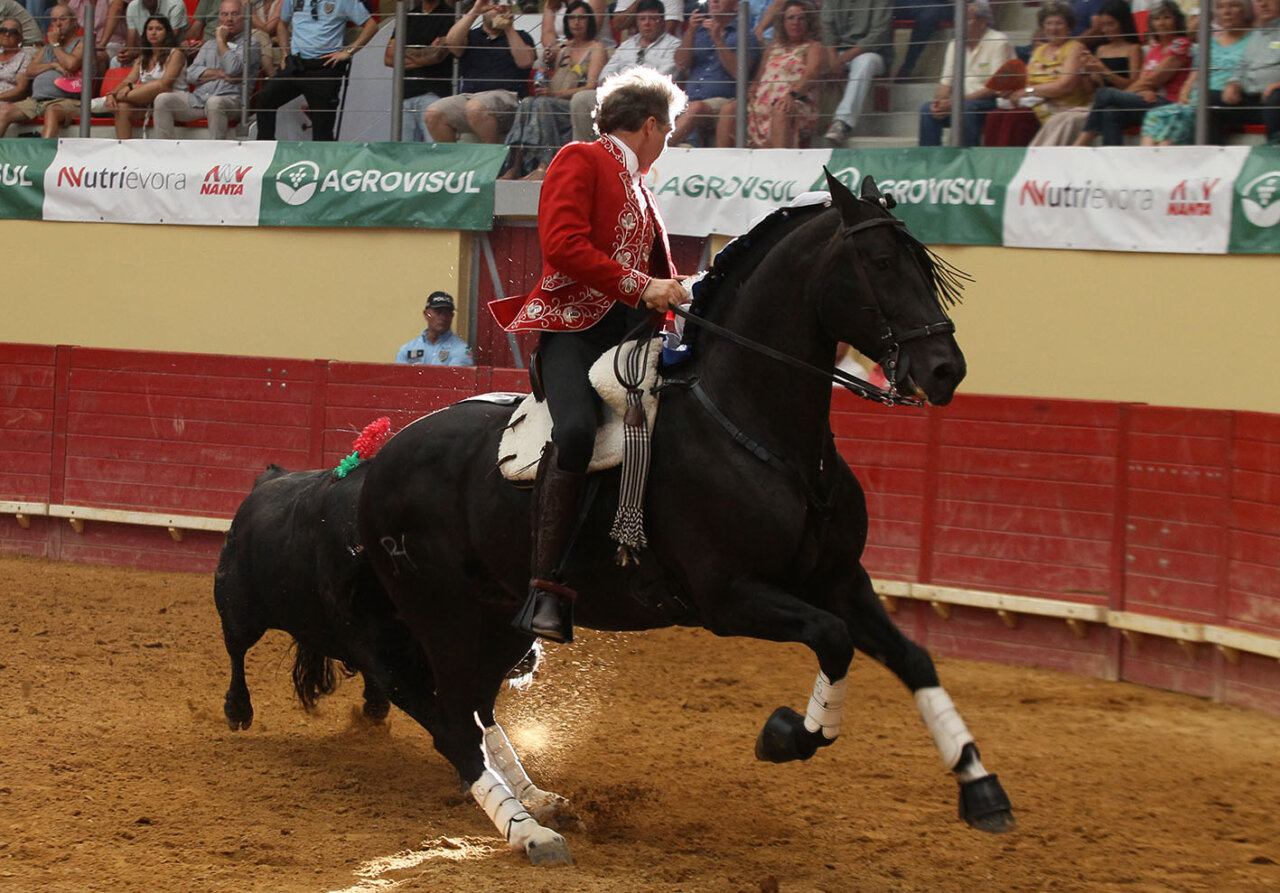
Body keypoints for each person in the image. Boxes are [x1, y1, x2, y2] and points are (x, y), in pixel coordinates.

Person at [487, 67, 689, 643]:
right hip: (577, 333)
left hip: (633, 338)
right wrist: (639, 285)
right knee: (575, 431)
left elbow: (658, 276)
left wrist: (677, 290)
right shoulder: (581, 157)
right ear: (650, 125)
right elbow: (563, 246)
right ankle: (543, 588)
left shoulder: (642, 189)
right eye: (669, 131)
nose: (668, 141)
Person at [502, 0, 604, 179]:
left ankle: (545, 166)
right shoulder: (563, 50)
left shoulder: (597, 48)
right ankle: (515, 165)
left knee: (542, 104)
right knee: (526, 103)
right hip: (553, 101)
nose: (577, 22)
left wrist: (554, 94)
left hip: (575, 106)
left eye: (582, 18)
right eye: (572, 18)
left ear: (589, 21)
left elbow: (590, 86)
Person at [1073, 0, 1191, 146]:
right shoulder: (1154, 49)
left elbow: (1154, 80)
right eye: (1156, 18)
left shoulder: (1180, 44)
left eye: (1167, 17)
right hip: (1150, 100)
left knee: (1105, 94)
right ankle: (1112, 158)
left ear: (1177, 20)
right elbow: (1143, 80)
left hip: (1169, 102)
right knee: (1110, 111)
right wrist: (1141, 92)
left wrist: (1129, 94)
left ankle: (1082, 142)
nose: (1161, 23)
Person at [254, 0, 376, 141]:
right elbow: (282, 24)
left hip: (324, 68)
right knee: (265, 99)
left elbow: (371, 26)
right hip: (296, 65)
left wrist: (348, 51)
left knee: (322, 130)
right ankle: (266, 149)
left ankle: (323, 162)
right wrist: (285, 54)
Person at [423, 0, 536, 143]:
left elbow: (525, 62)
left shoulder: (521, 36)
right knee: (433, 113)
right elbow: (451, 43)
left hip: (508, 98)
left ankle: (493, 159)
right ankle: (454, 161)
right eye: (494, 4)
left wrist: (508, 28)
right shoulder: (470, 37)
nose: (499, 8)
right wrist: (475, 10)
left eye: (503, 5)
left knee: (475, 107)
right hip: (471, 97)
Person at [1028, 0, 1139, 145]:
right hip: (1100, 101)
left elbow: (1134, 86)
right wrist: (1088, 75)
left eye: (1111, 24)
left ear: (1123, 23)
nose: (1106, 30)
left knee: (1095, 104)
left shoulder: (1134, 49)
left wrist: (1103, 71)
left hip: (1118, 99)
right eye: (1103, 25)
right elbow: (1093, 89)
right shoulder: (1101, 50)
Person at [1143, 0, 1253, 145]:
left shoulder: (1253, 40)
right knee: (1156, 115)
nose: (1226, 12)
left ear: (1245, 11)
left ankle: (1159, 160)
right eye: (1221, 7)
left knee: (1178, 121)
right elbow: (1193, 76)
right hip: (1197, 101)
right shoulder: (1210, 42)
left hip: (1227, 101)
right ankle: (1149, 160)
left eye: (1233, 5)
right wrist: (1185, 94)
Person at [568, 0, 680, 142]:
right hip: (617, 95)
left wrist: (627, 87)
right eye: (642, 19)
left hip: (647, 100)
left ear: (662, 21)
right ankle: (586, 152)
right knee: (581, 99)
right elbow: (605, 75)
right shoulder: (627, 44)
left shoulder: (673, 45)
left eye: (652, 18)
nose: (647, 23)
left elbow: (663, 77)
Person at [715, 0, 821, 148]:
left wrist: (791, 95)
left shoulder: (813, 46)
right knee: (729, 109)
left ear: (808, 22)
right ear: (783, 21)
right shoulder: (773, 47)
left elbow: (811, 74)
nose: (795, 22)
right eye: (790, 18)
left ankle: (778, 166)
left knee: (780, 109)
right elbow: (758, 78)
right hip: (763, 100)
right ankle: (727, 165)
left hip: (795, 100)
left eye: (801, 18)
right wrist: (751, 92)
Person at [152, 0, 259, 139]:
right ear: (219, 18)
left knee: (214, 102)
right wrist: (221, 73)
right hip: (199, 99)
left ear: (244, 17)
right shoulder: (209, 44)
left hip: (232, 101)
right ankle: (165, 151)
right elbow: (191, 74)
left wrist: (221, 41)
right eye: (224, 14)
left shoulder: (252, 43)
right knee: (163, 99)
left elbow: (233, 69)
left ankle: (217, 152)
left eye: (235, 14)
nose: (229, 19)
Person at [917, 0, 1013, 147]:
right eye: (957, 19)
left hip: (990, 101)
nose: (959, 23)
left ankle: (966, 160)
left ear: (983, 21)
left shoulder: (998, 41)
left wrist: (958, 102)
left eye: (966, 19)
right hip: (961, 102)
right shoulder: (954, 44)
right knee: (927, 109)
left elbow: (995, 87)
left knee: (966, 109)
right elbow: (945, 84)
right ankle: (930, 162)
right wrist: (941, 103)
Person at [670, 0, 761, 147]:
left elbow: (739, 73)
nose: (714, 1)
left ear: (735, 5)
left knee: (696, 108)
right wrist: (691, 32)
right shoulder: (698, 31)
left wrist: (718, 39)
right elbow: (681, 64)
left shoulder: (745, 35)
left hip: (724, 100)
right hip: (689, 100)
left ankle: (656, 150)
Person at [1000, 2, 1090, 140]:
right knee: (996, 116)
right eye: (1049, 23)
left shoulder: (1075, 48)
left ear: (1069, 27)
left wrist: (1028, 91)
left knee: (1016, 117)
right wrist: (1012, 91)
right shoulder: (1039, 50)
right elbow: (1026, 81)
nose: (1053, 28)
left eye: (1059, 23)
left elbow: (1064, 86)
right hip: (1034, 104)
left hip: (1061, 107)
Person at [0, 5, 82, 138]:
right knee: (3, 112)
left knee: (52, 112)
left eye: (63, 19)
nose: (58, 24)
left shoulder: (81, 43)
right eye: (54, 20)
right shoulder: (46, 48)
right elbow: (30, 71)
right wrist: (53, 65)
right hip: (36, 101)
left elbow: (71, 64)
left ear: (74, 22)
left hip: (66, 101)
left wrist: (55, 45)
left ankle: (43, 158)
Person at [819, 0, 893, 144]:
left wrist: (842, 59)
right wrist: (833, 58)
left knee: (865, 61)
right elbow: (827, 28)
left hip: (872, 53)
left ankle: (841, 123)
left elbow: (879, 34)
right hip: (838, 53)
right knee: (812, 58)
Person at [384, 0, 454, 142]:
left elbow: (436, 56)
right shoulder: (408, 16)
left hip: (435, 94)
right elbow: (389, 58)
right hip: (404, 94)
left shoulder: (450, 15)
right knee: (403, 155)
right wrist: (425, 52)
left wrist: (403, 51)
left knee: (434, 152)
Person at [1210, 0, 1280, 143]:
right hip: (1254, 101)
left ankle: (1274, 154)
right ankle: (1211, 155)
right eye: (1259, 1)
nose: (1264, 4)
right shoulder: (1257, 34)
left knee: (1275, 98)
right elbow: (1242, 65)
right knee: (1209, 99)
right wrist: (1234, 83)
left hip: (1275, 101)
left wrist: (1277, 85)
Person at [104, 13, 184, 138]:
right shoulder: (144, 56)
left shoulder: (176, 54)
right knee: (121, 108)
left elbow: (165, 85)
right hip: (145, 100)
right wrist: (111, 94)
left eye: (159, 29)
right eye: (150, 29)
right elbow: (128, 80)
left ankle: (113, 99)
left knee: (159, 86)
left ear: (167, 32)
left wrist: (132, 88)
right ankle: (124, 151)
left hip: (170, 100)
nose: (153, 33)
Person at [394, 292, 475, 367]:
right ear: (426, 314)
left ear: (452, 316)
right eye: (438, 312)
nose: (443, 317)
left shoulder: (461, 349)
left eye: (447, 313)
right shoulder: (407, 349)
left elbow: (455, 380)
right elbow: (400, 379)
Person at [120, 0, 189, 65]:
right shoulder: (133, 6)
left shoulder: (175, 4)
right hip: (144, 53)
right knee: (116, 61)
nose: (153, 33)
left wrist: (136, 54)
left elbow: (169, 42)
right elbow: (130, 46)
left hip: (172, 53)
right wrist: (126, 55)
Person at [67, 0, 128, 71]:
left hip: (118, 44)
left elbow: (116, 9)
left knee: (97, 56)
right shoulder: (76, 2)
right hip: (91, 45)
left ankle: (95, 82)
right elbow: (68, 24)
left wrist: (102, 43)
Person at [0, 17, 36, 105]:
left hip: (8, 104)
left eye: (13, 32)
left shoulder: (25, 56)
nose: (7, 34)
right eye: (3, 30)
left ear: (20, 38)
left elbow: (21, 89)